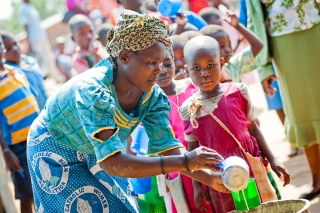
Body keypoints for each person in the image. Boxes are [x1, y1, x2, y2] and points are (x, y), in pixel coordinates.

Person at [26, 10, 229, 213]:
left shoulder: (151, 95)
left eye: (162, 62)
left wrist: (209, 178)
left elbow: (167, 146)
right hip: (56, 145)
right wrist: (185, 161)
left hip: (101, 150)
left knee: (120, 207)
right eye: (152, 62)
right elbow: (114, 164)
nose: (159, 70)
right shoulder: (94, 91)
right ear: (124, 56)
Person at [179, 35, 290, 213]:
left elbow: (253, 128)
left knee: (263, 207)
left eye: (210, 65)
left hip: (251, 167)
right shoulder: (189, 109)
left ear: (221, 63)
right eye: (196, 68)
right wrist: (198, 184)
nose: (204, 73)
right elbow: (193, 148)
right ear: (187, 70)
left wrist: (272, 159)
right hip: (219, 175)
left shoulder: (238, 92)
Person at [245, 0, 320, 200]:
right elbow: (255, 21)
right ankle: (318, 179)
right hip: (283, 44)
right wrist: (264, 68)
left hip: (317, 29)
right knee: (300, 109)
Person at [156, 47, 213, 212]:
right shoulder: (150, 102)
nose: (162, 71)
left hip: (203, 154)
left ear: (175, 63)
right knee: (192, 205)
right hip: (178, 165)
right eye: (156, 67)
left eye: (167, 64)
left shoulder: (192, 88)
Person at [0, 34, 38, 213]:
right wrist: (6, 152)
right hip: (18, 146)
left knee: (41, 186)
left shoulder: (15, 70)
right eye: (7, 47)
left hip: (36, 137)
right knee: (26, 194)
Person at [200, 10, 263, 82]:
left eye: (229, 45)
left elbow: (258, 46)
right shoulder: (204, 75)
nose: (228, 49)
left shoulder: (233, 66)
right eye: (222, 46)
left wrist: (238, 26)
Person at [19, 0, 64, 82]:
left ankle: (56, 77)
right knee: (41, 61)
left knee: (49, 57)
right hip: (34, 39)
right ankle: (41, 80)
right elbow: (26, 27)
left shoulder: (31, 7)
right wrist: (29, 43)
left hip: (42, 37)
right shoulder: (23, 10)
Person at [1, 32, 48, 110]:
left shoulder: (30, 61)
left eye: (15, 44)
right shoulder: (9, 74)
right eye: (8, 49)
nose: (15, 49)